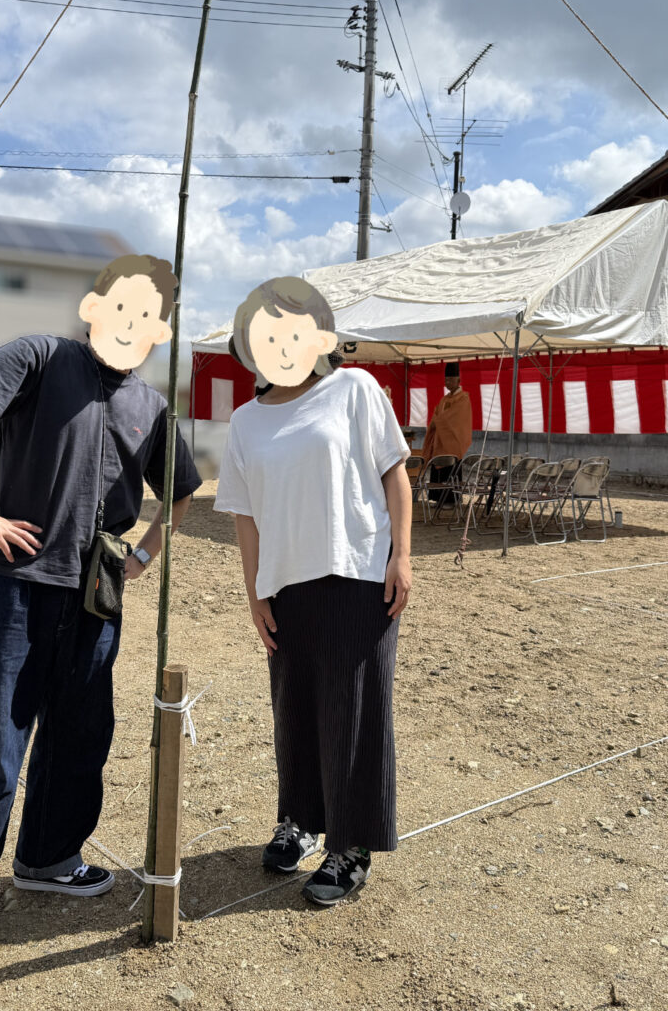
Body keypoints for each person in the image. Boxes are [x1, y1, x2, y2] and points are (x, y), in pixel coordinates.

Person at [0, 254, 202, 972]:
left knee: (81, 731)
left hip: (97, 592)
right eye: (120, 306)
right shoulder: (40, 357)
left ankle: (48, 856)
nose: (130, 324)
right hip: (15, 581)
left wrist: (144, 554)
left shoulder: (151, 405)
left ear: (161, 331)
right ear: (93, 307)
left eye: (147, 315)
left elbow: (180, 489)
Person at [215, 276, 412, 906]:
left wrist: (402, 555)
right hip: (284, 584)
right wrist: (255, 593)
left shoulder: (354, 388)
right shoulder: (245, 421)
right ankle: (299, 821)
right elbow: (246, 516)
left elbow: (395, 474)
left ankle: (351, 846)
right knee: (295, 709)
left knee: (351, 711)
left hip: (357, 574)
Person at [421, 361, 473, 503]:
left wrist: (438, 420)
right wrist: (436, 421)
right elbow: (436, 415)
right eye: (446, 380)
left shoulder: (463, 399)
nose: (447, 382)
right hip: (440, 442)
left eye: (450, 379)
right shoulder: (444, 399)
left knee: (450, 468)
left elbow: (452, 418)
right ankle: (437, 498)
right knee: (439, 468)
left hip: (453, 442)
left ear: (458, 380)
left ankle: (451, 500)